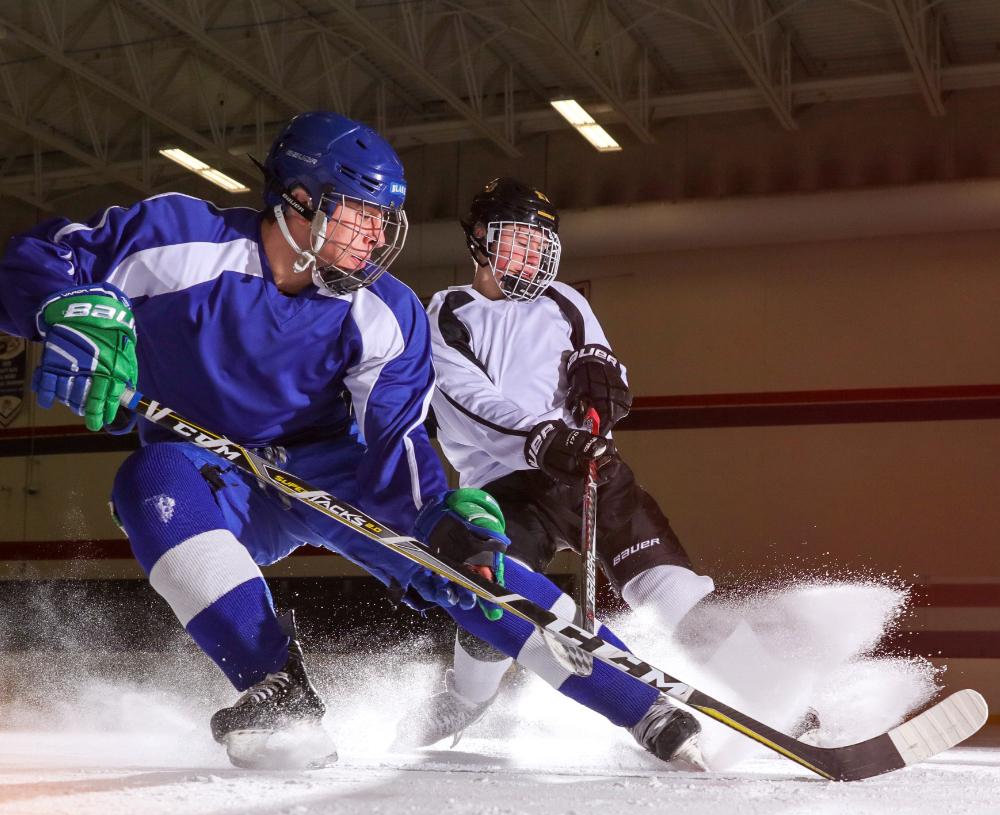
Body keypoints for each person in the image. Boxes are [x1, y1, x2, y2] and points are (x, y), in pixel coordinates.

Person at [0, 116, 702, 769]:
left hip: (339, 466)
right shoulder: (180, 238)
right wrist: (68, 306)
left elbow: (392, 436)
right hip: (216, 472)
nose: (374, 237)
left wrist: (443, 514)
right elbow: (34, 261)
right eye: (357, 215)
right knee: (149, 480)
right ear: (297, 202)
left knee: (467, 561)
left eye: (381, 220)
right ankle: (278, 691)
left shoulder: (386, 311)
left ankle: (645, 704)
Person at [395, 177, 716, 751]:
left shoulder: (567, 301)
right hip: (504, 487)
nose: (531, 254)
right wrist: (544, 439)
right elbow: (471, 403)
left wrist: (606, 383)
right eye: (517, 240)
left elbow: (600, 362)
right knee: (495, 602)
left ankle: (755, 690)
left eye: (539, 243)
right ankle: (468, 696)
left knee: (672, 587)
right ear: (480, 242)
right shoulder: (445, 313)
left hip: (587, 465)